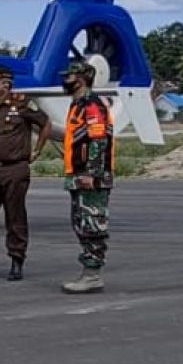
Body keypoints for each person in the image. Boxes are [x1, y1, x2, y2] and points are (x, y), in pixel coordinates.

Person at [0, 64, 51, 281]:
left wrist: (37, 150)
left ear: (6, 84)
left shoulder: (21, 103)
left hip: (15, 168)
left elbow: (45, 124)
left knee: (15, 216)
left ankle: (16, 260)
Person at [60, 61, 114, 294]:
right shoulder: (78, 105)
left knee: (92, 224)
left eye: (69, 76)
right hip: (78, 176)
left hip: (91, 177)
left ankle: (92, 275)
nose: (65, 80)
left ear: (81, 78)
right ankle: (89, 272)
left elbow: (98, 140)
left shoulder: (92, 106)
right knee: (81, 224)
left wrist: (91, 173)